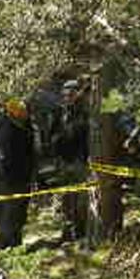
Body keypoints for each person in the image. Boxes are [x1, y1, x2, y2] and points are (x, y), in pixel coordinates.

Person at [53, 80, 90, 244]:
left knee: (81, 199)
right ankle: (67, 231)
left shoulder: (85, 113)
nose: (67, 98)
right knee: (66, 199)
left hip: (80, 160)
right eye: (65, 95)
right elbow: (52, 134)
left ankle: (80, 231)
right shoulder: (60, 113)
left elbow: (87, 137)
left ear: (77, 94)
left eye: (71, 94)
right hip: (64, 161)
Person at [0, 97, 35, 248]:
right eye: (22, 111)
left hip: (23, 176)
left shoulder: (25, 127)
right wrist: (10, 176)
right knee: (10, 212)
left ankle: (16, 242)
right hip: (11, 179)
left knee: (20, 211)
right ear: (15, 113)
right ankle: (6, 243)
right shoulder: (7, 130)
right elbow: (6, 157)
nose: (26, 113)